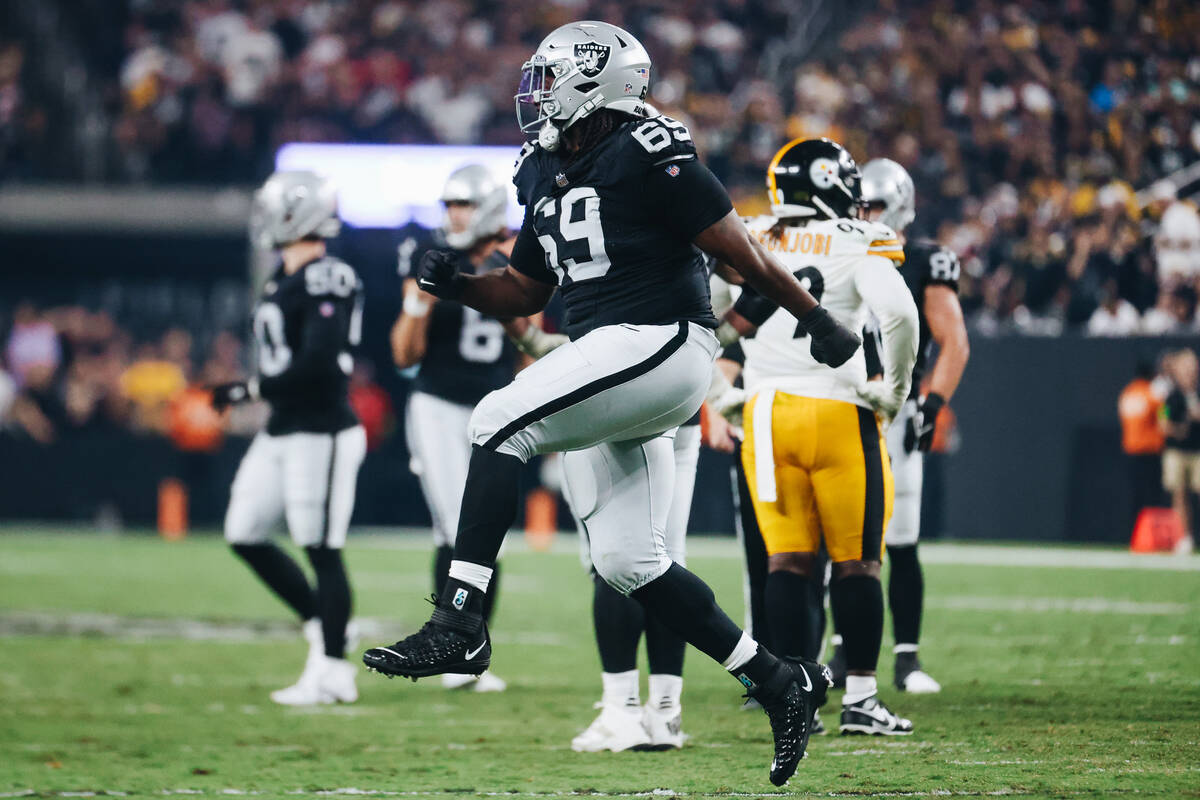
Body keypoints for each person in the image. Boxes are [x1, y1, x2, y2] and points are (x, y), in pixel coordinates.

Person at [363, 21, 860, 785]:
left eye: (549, 77)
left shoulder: (647, 147)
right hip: (609, 354)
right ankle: (777, 679)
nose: (535, 93)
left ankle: (459, 618)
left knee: (496, 421)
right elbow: (525, 290)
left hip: (661, 337)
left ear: (594, 80)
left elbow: (740, 249)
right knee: (629, 562)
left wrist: (817, 319)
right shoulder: (541, 167)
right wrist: (458, 287)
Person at [723, 139, 919, 735]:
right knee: (857, 564)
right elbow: (901, 314)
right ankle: (860, 698)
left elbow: (701, 319)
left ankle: (794, 696)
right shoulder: (858, 239)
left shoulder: (755, 235)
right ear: (835, 183)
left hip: (764, 412)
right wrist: (897, 388)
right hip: (837, 408)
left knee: (786, 562)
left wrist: (716, 395)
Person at [212, 170, 367, 706]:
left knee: (322, 549)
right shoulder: (283, 276)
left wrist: (251, 387)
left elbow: (322, 363)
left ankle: (332, 671)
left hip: (321, 429)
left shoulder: (328, 275)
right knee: (244, 531)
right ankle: (323, 627)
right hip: (283, 426)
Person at [834, 157, 970, 695]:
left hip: (895, 411)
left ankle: (906, 659)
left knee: (903, 537)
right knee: (844, 539)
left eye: (873, 205)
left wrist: (932, 404)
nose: (864, 214)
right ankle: (844, 653)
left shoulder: (926, 260)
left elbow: (954, 339)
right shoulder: (839, 249)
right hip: (842, 406)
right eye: (858, 205)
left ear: (900, 208)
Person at [391, 164, 521, 693]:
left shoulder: (518, 255)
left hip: (498, 405)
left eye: (462, 205)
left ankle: (466, 647)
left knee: (492, 535)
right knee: (455, 527)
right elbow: (404, 355)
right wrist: (420, 297)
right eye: (448, 206)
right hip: (439, 403)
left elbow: (529, 341)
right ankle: (453, 649)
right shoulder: (427, 255)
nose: (452, 216)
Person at [1159, 349, 1200, 555]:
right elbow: (1162, 421)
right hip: (1176, 451)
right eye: (1187, 369)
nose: (1191, 373)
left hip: (1198, 451)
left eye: (1193, 369)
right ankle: (1184, 537)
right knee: (1179, 494)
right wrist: (1178, 429)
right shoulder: (1170, 396)